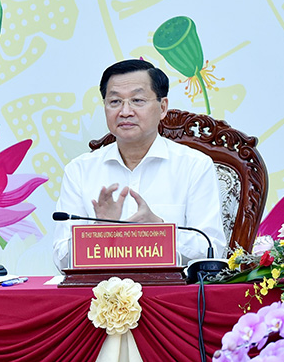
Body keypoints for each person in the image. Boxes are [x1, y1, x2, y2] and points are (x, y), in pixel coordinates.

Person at [53, 59, 226, 269]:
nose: (125, 112)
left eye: (137, 100)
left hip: (170, 294)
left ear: (162, 108)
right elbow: (61, 258)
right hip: (100, 295)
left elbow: (212, 249)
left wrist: (159, 231)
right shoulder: (79, 170)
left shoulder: (194, 166)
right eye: (115, 102)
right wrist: (97, 232)